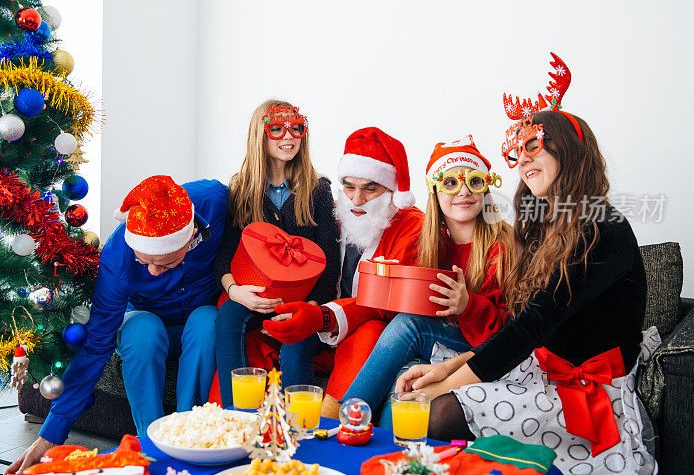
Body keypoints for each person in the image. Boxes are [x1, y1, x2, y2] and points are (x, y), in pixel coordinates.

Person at [396, 101, 658, 473]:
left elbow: (532, 326)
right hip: (541, 367)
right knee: (427, 388)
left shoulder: (604, 227)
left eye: (532, 145)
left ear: (568, 148)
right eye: (516, 151)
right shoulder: (543, 227)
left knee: (437, 411)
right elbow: (520, 328)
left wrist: (442, 388)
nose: (521, 159)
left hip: (588, 392)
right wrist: (445, 370)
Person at [7, 175, 228, 474]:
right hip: (144, 321)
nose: (153, 271)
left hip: (199, 317)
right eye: (143, 262)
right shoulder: (116, 258)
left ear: (189, 238)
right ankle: (150, 443)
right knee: (142, 330)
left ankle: (191, 434)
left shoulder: (214, 199)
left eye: (163, 263)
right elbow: (97, 346)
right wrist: (48, 438)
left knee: (209, 321)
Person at [331, 135, 510, 428]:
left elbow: (512, 330)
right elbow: (417, 303)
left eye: (474, 182)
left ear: (486, 189)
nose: (462, 192)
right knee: (409, 376)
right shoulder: (430, 242)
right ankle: (389, 455)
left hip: (481, 347)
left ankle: (347, 421)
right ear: (435, 192)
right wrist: (391, 280)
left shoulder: (503, 247)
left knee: (409, 324)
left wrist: (468, 305)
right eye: (450, 183)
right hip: (438, 343)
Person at [262, 127, 424, 408]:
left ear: (391, 189)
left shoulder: (413, 226)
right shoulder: (335, 211)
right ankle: (291, 421)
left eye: (370, 189)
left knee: (371, 329)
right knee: (292, 339)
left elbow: (386, 303)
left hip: (367, 330)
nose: (356, 200)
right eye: (349, 186)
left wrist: (323, 316)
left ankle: (332, 418)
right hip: (323, 321)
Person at [213, 99, 341, 407]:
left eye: (296, 129)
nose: (289, 137)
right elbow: (225, 254)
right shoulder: (242, 190)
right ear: (260, 135)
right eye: (277, 129)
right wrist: (236, 292)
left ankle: (301, 430)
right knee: (228, 315)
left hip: (306, 300)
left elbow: (331, 260)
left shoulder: (318, 189)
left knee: (295, 343)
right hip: (257, 296)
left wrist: (309, 307)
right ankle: (236, 417)